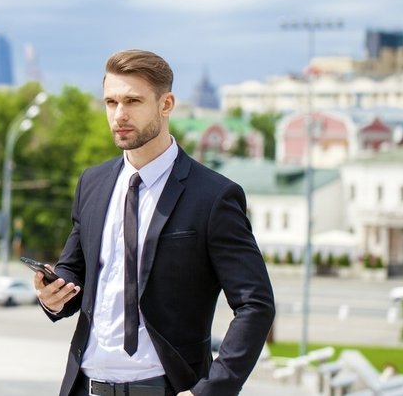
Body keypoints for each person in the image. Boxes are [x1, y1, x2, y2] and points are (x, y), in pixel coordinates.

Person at [33, 49, 275, 396]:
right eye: (111, 102)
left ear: (166, 104)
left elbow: (256, 305)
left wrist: (211, 391)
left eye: (133, 101)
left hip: (165, 388)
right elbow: (75, 276)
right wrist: (52, 296)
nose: (119, 114)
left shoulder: (213, 197)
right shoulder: (93, 183)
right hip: (86, 388)